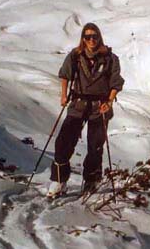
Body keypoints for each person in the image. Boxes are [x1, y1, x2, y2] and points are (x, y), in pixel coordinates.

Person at [47, 23, 124, 198]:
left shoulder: (111, 58)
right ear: (83, 38)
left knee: (95, 145)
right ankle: (59, 181)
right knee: (63, 142)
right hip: (78, 103)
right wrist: (63, 95)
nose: (91, 40)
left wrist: (110, 101)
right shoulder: (75, 56)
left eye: (94, 36)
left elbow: (116, 82)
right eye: (87, 37)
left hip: (100, 105)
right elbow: (65, 75)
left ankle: (91, 180)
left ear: (99, 37)